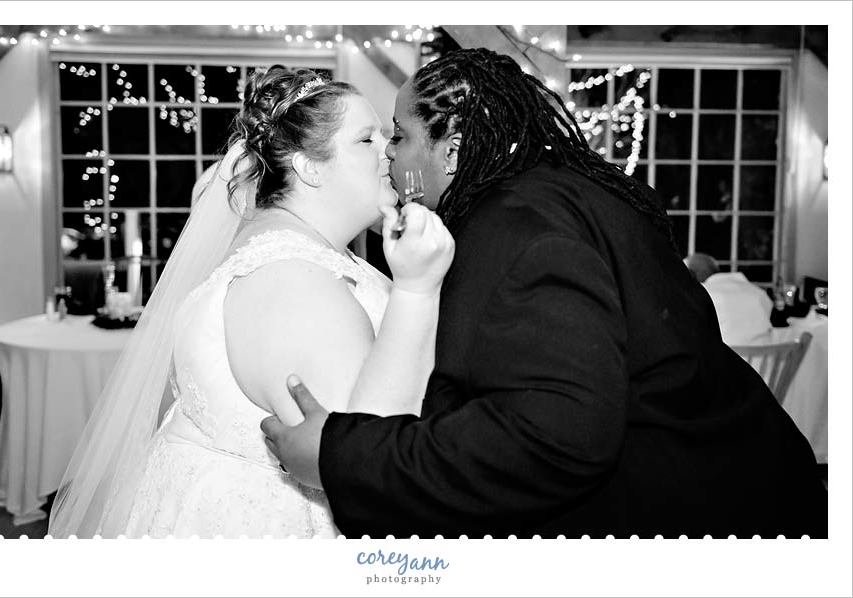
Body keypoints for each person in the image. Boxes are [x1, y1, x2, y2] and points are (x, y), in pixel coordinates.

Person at [262, 48, 827, 539]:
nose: (390, 154)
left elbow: (557, 437)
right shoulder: (554, 194)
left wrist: (340, 453)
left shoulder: (520, 229)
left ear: (453, 150)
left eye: (402, 135)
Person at [49, 66, 454, 538]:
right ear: (308, 166)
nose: (388, 153)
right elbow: (373, 459)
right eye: (366, 140)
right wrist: (415, 290)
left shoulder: (304, 254)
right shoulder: (292, 282)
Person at [685, 253, 773, 345]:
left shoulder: (701, 294)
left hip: (719, 358)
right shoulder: (757, 293)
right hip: (762, 357)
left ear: (693, 275)